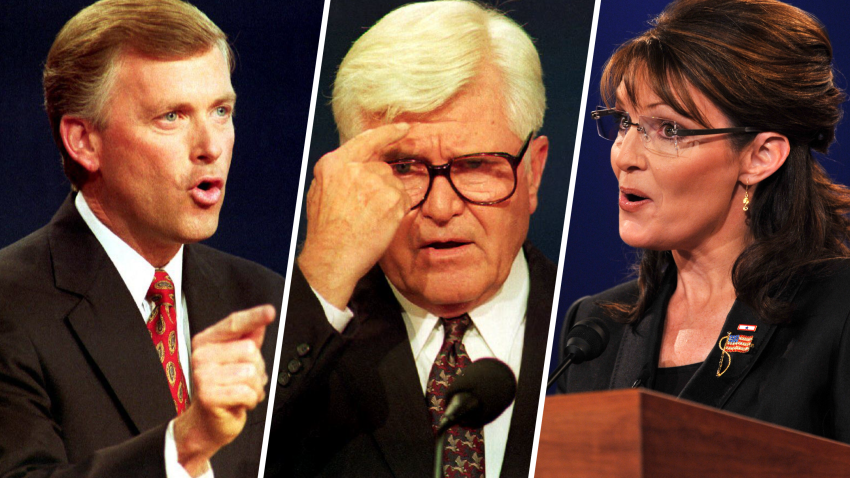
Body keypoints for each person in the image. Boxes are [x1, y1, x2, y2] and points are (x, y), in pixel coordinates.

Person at [268, 1, 555, 477]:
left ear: (533, 171)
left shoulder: (595, 334)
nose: (441, 208)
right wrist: (321, 277)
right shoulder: (299, 343)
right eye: (403, 168)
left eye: (475, 164)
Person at [0, 1, 284, 476]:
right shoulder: (11, 305)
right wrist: (187, 444)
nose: (210, 146)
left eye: (220, 110)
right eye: (171, 116)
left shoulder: (264, 301)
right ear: (84, 142)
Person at [556, 0, 850, 444]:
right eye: (624, 123)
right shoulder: (594, 329)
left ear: (760, 156)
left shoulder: (838, 311)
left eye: (669, 130)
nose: (625, 158)